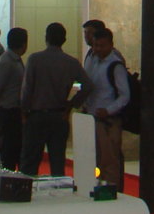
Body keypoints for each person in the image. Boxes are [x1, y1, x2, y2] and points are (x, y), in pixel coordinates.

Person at [20, 21, 89, 177]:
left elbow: (27, 89)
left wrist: (23, 112)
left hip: (36, 115)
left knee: (30, 161)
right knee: (57, 162)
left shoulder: (35, 59)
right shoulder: (71, 62)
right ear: (64, 40)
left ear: (46, 38)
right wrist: (71, 104)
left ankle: (25, 188)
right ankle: (59, 190)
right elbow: (87, 85)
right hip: (59, 115)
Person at [84, 26, 130, 191]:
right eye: (96, 45)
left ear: (111, 45)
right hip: (91, 118)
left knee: (109, 160)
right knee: (95, 160)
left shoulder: (115, 65)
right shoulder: (92, 60)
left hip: (108, 122)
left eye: (102, 46)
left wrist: (108, 110)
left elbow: (125, 96)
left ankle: (113, 193)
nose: (98, 49)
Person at [0, 27, 28, 169]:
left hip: (14, 110)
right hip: (7, 111)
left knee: (15, 148)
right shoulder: (6, 61)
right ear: (23, 44)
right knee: (8, 150)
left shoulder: (15, 59)